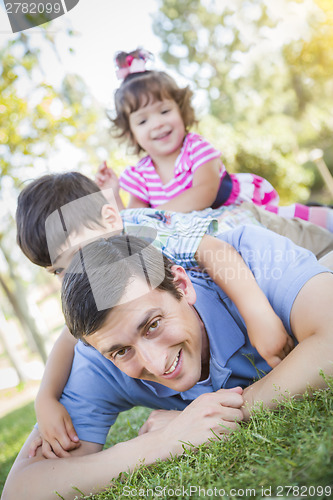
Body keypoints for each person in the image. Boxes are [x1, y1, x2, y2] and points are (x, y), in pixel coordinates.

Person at [15, 171, 333, 461]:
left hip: (252, 228)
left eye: (78, 257)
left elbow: (217, 252)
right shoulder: (101, 291)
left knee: (323, 242)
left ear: (111, 220)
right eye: (59, 270)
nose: (76, 274)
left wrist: (258, 314)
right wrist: (46, 397)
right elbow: (69, 338)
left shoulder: (149, 237)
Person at [95, 48, 333, 233]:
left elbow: (205, 192)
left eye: (164, 111)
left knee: (292, 222)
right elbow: (137, 223)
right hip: (209, 242)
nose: (157, 123)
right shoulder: (141, 176)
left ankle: (327, 219)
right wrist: (114, 195)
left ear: (181, 110)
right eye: (143, 121)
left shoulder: (195, 149)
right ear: (131, 133)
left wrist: (156, 214)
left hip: (239, 214)